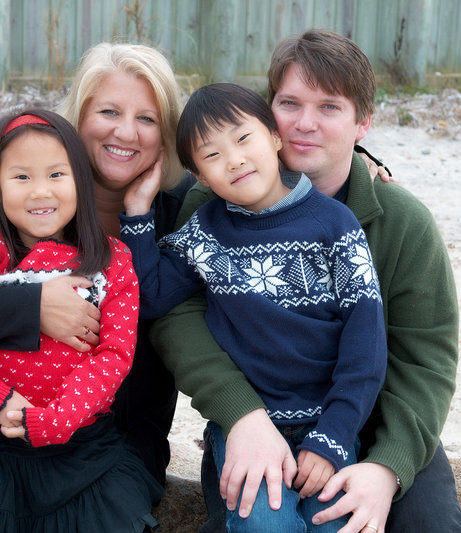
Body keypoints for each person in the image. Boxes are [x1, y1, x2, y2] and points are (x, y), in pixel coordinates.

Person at [149, 30, 461, 532]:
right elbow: (174, 314)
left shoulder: (403, 222)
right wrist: (242, 414)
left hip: (374, 417)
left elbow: (427, 360)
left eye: (329, 108)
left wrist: (387, 467)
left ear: (363, 122)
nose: (304, 124)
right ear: (267, 113)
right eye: (289, 103)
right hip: (257, 417)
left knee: (430, 525)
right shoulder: (212, 207)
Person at [0, 42, 191, 502]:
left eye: (147, 119)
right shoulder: (21, 186)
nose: (126, 132)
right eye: (109, 111)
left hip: (115, 428)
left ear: (166, 133)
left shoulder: (181, 206)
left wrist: (138, 218)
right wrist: (33, 307)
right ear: (78, 116)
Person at [119, 82, 387, 531]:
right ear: (201, 177)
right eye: (212, 155)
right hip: (247, 428)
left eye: (244, 139)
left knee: (336, 525)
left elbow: (366, 344)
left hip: (329, 424)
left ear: (275, 138)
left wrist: (335, 436)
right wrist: (138, 212)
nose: (235, 159)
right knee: (263, 524)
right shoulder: (207, 232)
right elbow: (151, 297)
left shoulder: (334, 226)